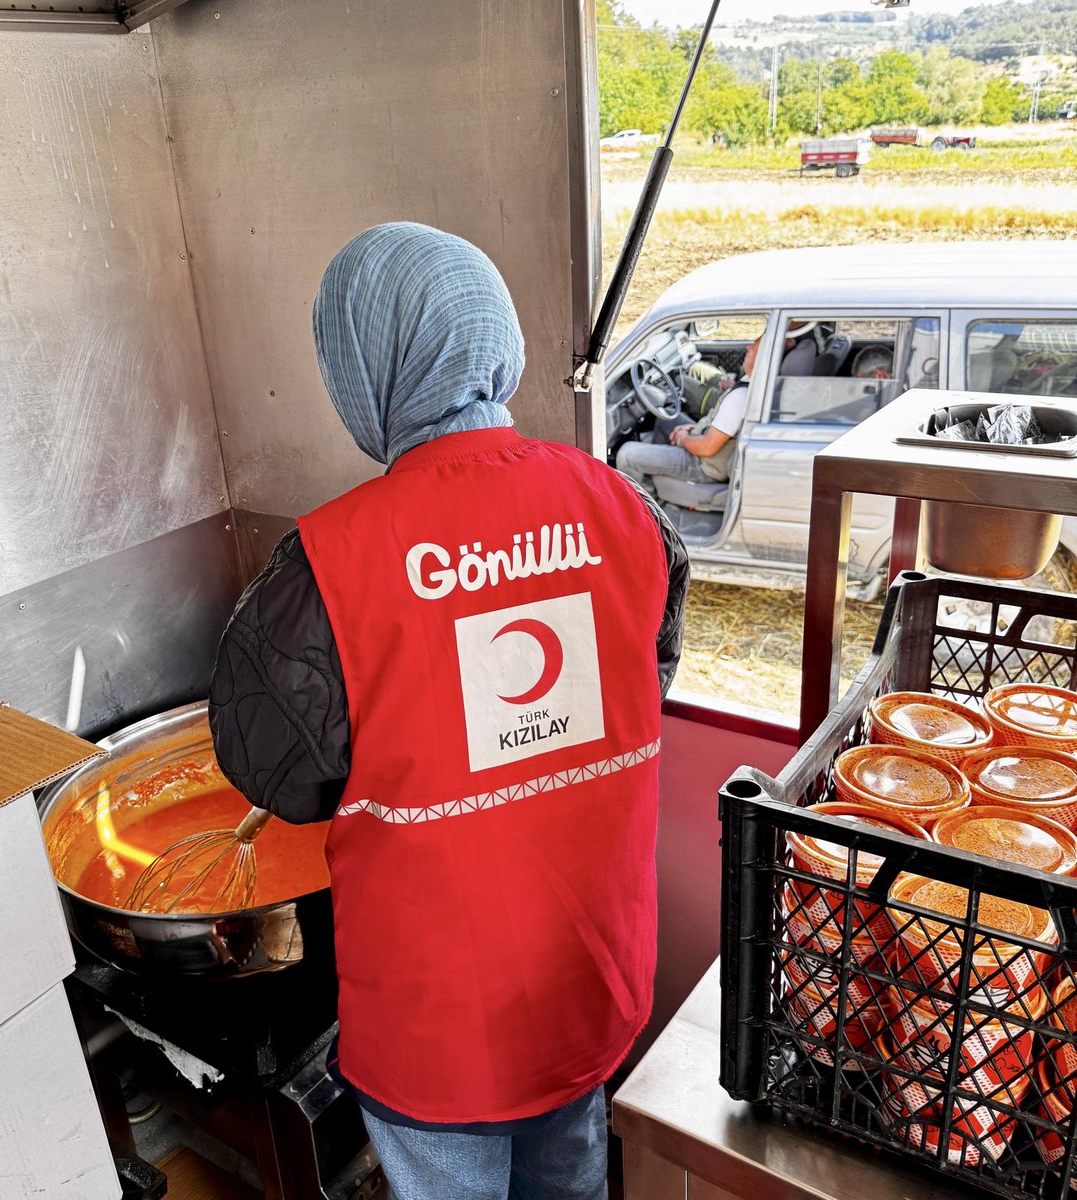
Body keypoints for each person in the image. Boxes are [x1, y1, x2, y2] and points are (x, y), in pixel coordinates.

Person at [208, 222, 689, 1200]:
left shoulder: (328, 563)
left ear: (366, 366)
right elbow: (649, 678)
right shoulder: (625, 508)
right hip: (587, 982)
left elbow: (280, 778)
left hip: (438, 1030)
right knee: (573, 1178)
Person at [616, 325, 817, 496]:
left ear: (764, 359)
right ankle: (662, 483)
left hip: (704, 464)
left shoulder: (740, 399)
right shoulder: (754, 383)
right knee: (664, 421)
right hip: (704, 439)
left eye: (753, 347)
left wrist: (683, 439)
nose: (747, 346)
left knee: (626, 454)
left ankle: (648, 508)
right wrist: (690, 428)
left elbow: (706, 448)